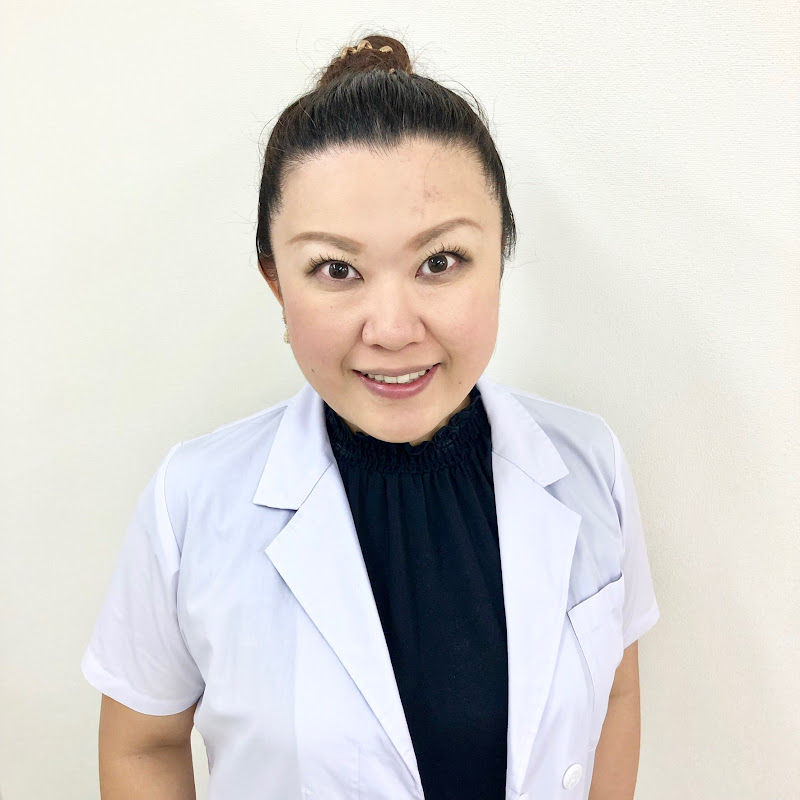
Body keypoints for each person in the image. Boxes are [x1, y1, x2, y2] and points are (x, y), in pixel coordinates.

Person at [81, 33, 660, 800]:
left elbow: (617, 691)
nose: (391, 328)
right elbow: (143, 744)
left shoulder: (590, 464)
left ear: (499, 258)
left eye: (440, 261)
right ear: (277, 284)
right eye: (337, 269)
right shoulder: (189, 502)